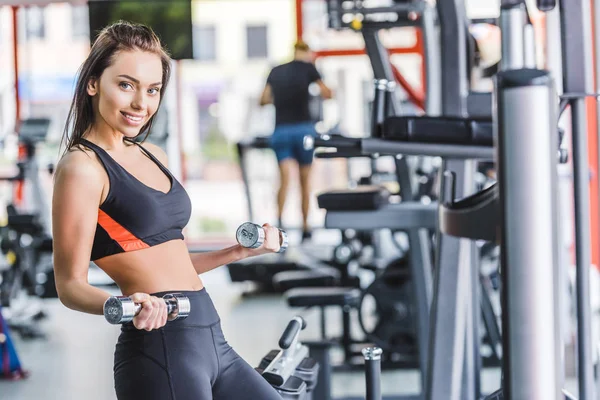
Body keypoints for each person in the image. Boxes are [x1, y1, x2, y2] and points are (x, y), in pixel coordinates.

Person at [52, 21, 283, 400]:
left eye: (153, 89)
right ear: (93, 83)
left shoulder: (151, 154)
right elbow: (69, 285)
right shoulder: (82, 168)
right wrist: (126, 303)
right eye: (126, 85)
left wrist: (237, 252)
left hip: (211, 338)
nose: (141, 103)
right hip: (159, 347)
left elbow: (168, 262)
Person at [259, 40, 333, 241]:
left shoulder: (276, 70)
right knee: (304, 180)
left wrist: (282, 99)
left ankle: (279, 224)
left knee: (283, 179)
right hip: (303, 131)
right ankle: (306, 227)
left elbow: (263, 100)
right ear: (307, 52)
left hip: (281, 130)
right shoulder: (309, 68)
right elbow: (327, 93)